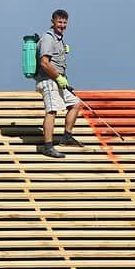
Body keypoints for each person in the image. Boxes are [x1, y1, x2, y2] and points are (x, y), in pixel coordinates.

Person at [34, 9, 80, 158]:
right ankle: (48, 146)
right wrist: (59, 78)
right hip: (48, 80)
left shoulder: (59, 39)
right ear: (52, 22)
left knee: (75, 103)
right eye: (59, 22)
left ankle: (66, 137)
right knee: (52, 110)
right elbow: (44, 63)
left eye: (65, 22)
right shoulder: (48, 38)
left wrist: (61, 79)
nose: (62, 25)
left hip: (57, 81)